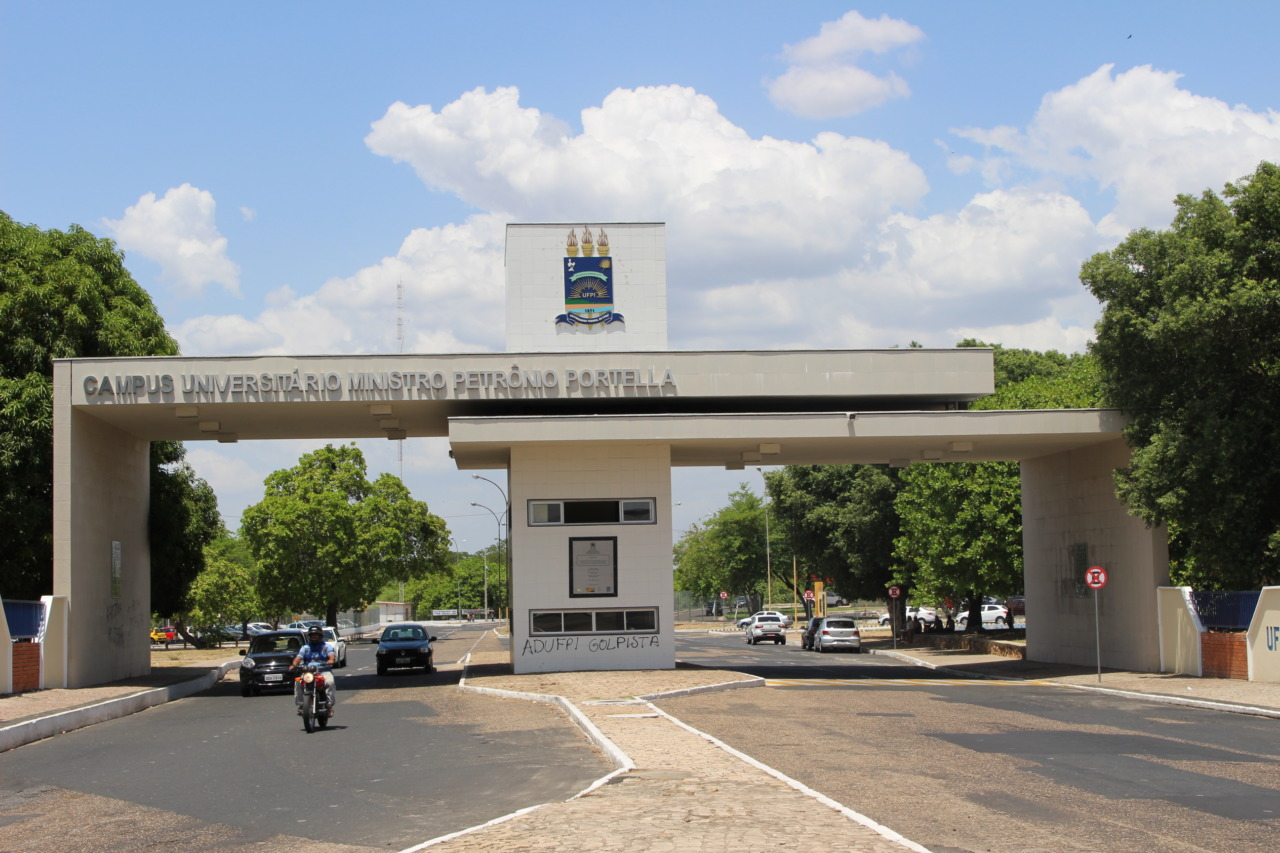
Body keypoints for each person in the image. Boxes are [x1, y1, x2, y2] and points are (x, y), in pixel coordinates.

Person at [292, 625, 337, 716]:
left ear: (320, 636)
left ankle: (329, 706)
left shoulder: (327, 647)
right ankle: (301, 705)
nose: (314, 637)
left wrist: (330, 661)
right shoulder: (305, 648)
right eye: (313, 635)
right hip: (308, 672)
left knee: (330, 682)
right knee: (297, 682)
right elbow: (298, 658)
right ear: (310, 636)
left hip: (324, 671)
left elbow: (332, 656)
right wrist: (293, 665)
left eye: (316, 635)